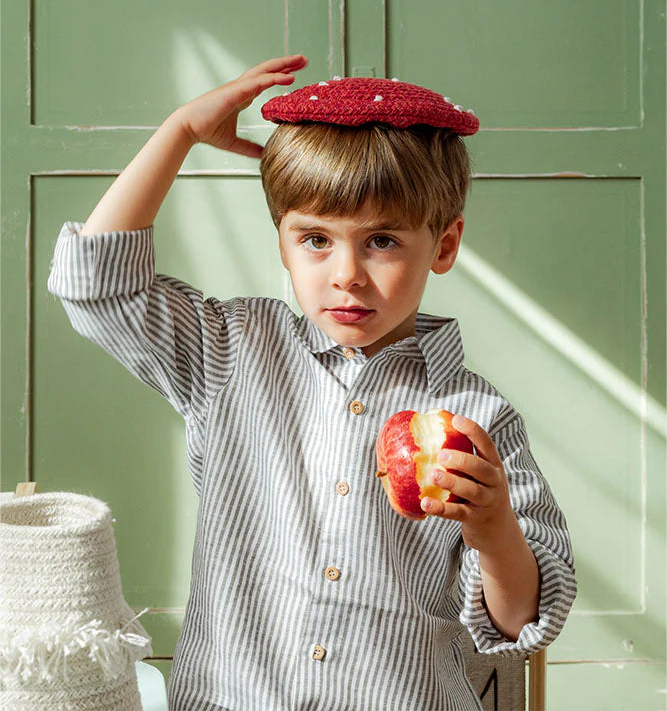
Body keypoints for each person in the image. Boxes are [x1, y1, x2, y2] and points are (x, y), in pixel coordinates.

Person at [47, 54, 577, 711]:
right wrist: (179, 131)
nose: (346, 273)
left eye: (381, 241)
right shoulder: (229, 350)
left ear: (441, 246)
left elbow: (520, 621)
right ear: (281, 242)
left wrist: (494, 527)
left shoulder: (478, 419)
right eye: (315, 239)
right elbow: (95, 287)